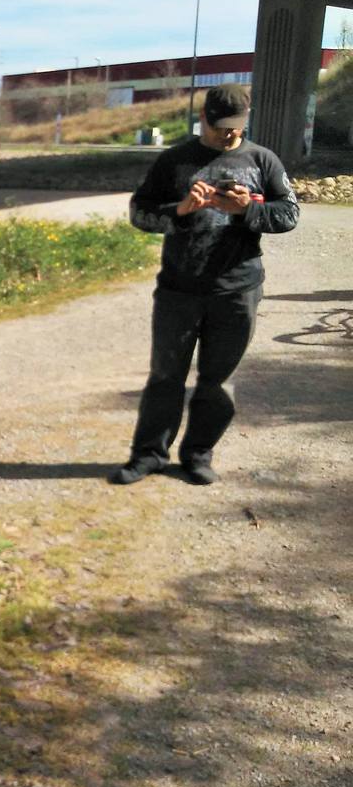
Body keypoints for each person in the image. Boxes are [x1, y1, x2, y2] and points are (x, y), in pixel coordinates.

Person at [110, 83, 299, 487]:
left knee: (217, 382)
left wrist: (248, 210)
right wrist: (180, 210)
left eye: (234, 127)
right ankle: (149, 455)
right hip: (179, 289)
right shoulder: (174, 160)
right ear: (203, 118)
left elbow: (289, 214)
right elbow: (139, 213)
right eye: (219, 127)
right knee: (165, 377)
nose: (227, 134)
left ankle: (198, 454)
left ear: (245, 120)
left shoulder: (262, 160)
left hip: (237, 290)